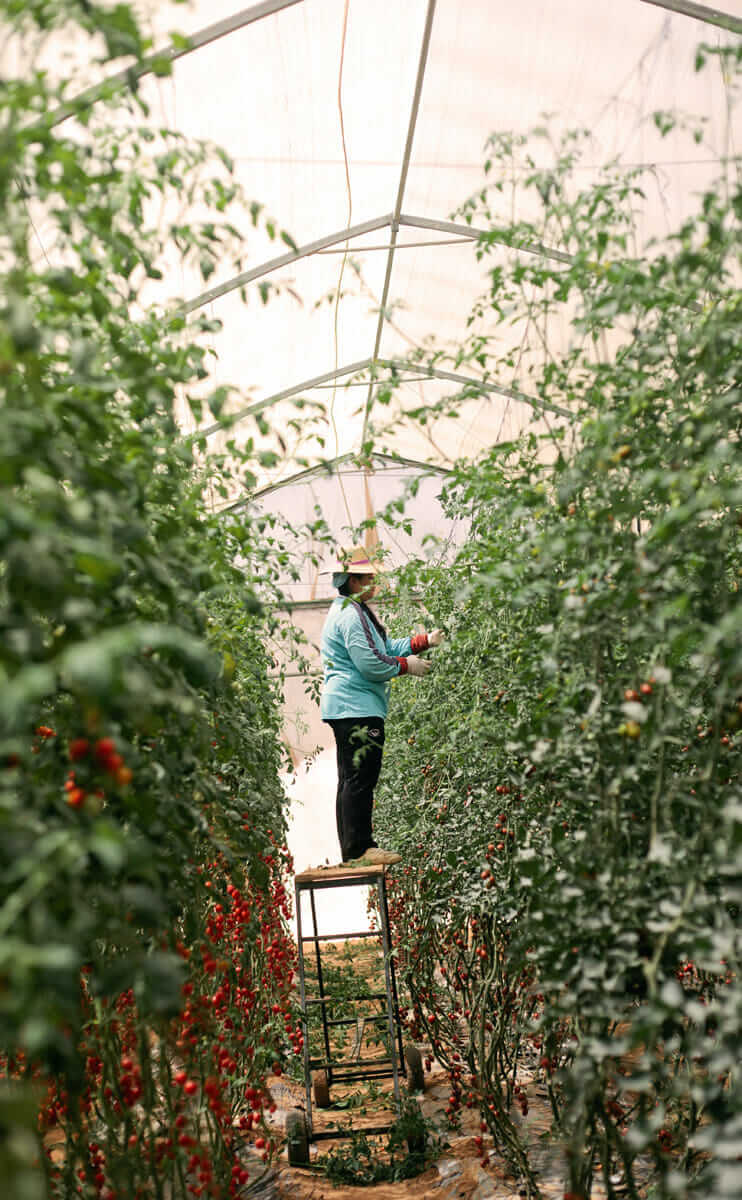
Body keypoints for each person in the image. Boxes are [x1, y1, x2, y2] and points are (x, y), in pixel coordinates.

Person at [319, 546, 444, 867]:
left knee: (350, 778)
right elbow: (371, 663)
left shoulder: (354, 610)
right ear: (353, 580)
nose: (374, 582)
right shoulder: (349, 616)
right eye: (369, 577)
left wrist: (422, 641)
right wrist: (406, 666)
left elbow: (383, 647)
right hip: (355, 706)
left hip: (348, 706)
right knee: (360, 777)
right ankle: (360, 848)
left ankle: (353, 849)